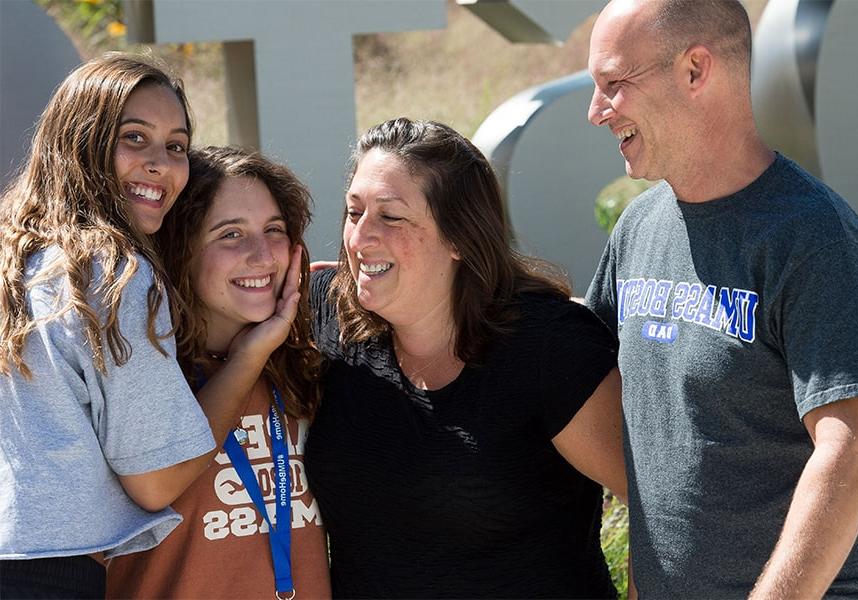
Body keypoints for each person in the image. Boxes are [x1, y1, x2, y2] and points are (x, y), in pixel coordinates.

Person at [584, 1, 858, 598]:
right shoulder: (639, 227)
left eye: (613, 84)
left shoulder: (814, 237)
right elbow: (586, 380)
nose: (596, 111)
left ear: (696, 70)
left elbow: (852, 449)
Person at [0, 56, 298, 598]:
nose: (161, 164)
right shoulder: (114, 270)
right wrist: (252, 355)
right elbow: (155, 482)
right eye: (134, 138)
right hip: (45, 575)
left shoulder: (18, 256)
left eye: (177, 146)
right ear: (80, 141)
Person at [304, 117, 627, 598]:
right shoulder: (326, 313)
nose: (359, 237)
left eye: (390, 217)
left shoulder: (550, 349)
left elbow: (656, 506)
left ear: (459, 236)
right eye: (354, 213)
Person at [106, 146, 330, 599]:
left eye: (275, 230)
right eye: (231, 234)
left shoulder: (311, 366)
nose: (263, 254)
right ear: (179, 249)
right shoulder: (137, 377)